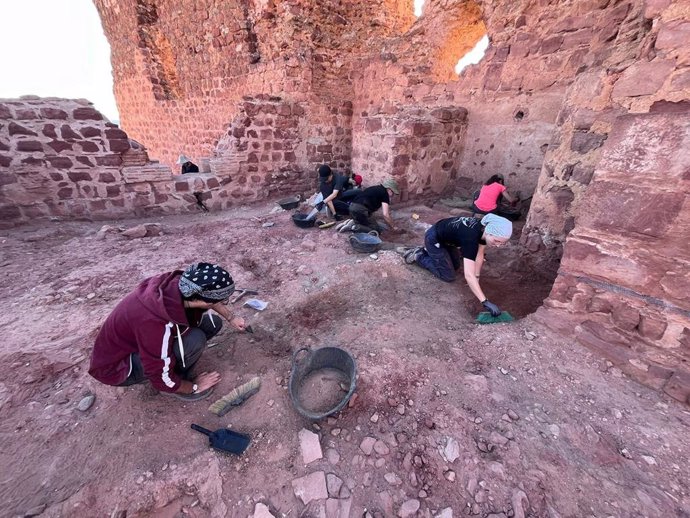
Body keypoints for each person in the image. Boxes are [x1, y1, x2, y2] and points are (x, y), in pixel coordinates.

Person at [89, 262, 246, 401]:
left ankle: (177, 361)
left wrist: (231, 317)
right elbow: (159, 376)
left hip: (138, 342)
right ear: (201, 300)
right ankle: (179, 384)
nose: (222, 304)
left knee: (212, 324)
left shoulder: (181, 285)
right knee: (195, 339)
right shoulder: (155, 323)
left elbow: (209, 299)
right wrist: (193, 387)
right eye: (222, 300)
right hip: (118, 367)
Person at [402, 214, 512, 316]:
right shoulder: (470, 238)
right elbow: (468, 275)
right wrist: (485, 302)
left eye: (502, 243)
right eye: (497, 241)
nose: (498, 245)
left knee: (455, 266)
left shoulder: (483, 230)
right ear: (489, 232)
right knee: (448, 275)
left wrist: (477, 277)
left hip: (448, 241)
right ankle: (419, 255)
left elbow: (480, 254)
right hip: (434, 238)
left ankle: (432, 254)